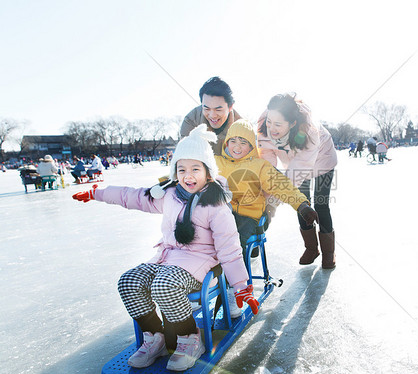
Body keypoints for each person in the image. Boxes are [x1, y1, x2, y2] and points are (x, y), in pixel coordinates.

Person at [72, 125, 259, 371]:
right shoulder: (169, 194)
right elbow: (134, 196)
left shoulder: (216, 205)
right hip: (166, 258)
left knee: (163, 285)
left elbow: (230, 249)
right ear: (175, 172)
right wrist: (97, 192)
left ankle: (189, 339)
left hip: (201, 265)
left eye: (195, 169)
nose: (188, 175)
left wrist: (242, 287)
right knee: (128, 281)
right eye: (181, 169)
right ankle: (155, 336)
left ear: (208, 172)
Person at [214, 119, 318, 259]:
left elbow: (281, 185)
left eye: (243, 142)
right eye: (233, 141)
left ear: (251, 146)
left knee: (234, 240)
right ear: (227, 143)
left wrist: (301, 205)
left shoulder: (260, 166)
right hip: (222, 215)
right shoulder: (216, 162)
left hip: (248, 217)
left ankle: (235, 278)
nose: (237, 147)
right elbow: (194, 173)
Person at [257, 93, 338, 269]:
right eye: (270, 122)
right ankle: (311, 248)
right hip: (295, 161)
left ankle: (328, 252)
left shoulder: (309, 133)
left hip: (322, 159)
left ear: (292, 124)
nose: (271, 128)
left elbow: (297, 171)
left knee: (321, 203)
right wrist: (267, 190)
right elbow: (267, 162)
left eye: (278, 125)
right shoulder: (264, 127)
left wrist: (274, 201)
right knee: (301, 202)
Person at [180, 77, 242, 155]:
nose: (212, 115)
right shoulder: (191, 121)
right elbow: (185, 156)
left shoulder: (241, 127)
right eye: (207, 109)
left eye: (218, 110)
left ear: (230, 107)